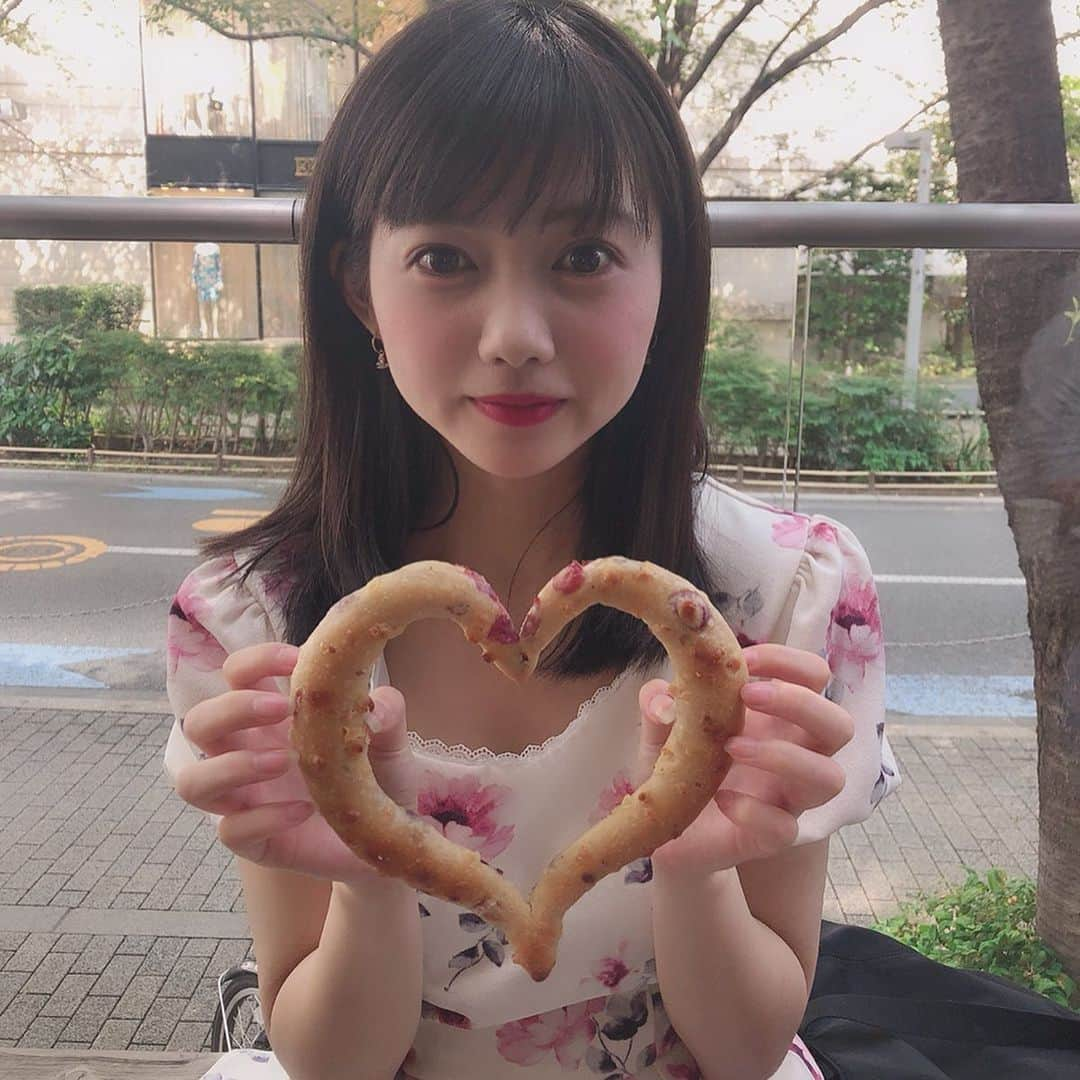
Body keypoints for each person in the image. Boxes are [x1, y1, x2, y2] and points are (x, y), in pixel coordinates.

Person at [163, 0, 900, 1077]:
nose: (516, 336)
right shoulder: (253, 623)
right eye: (446, 259)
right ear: (357, 286)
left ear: (670, 277)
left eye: (586, 253)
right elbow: (329, 1061)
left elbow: (747, 1050)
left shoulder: (787, 596)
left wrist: (695, 865)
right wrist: (367, 871)